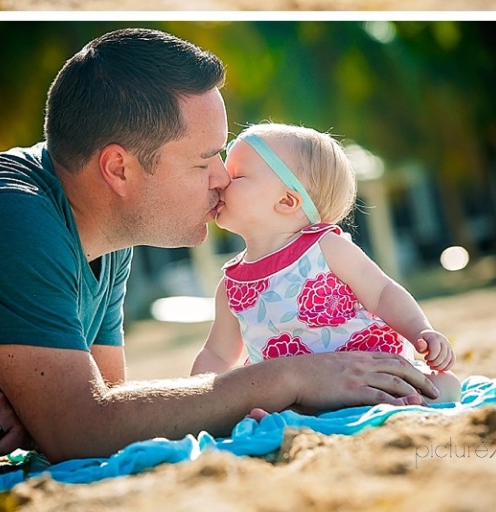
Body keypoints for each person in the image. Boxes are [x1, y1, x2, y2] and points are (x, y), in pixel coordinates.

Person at [0, 28, 441, 496]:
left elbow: (103, 402)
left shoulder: (106, 233)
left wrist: (40, 413)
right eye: (205, 161)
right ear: (119, 170)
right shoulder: (7, 216)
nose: (223, 177)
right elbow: (83, 428)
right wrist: (291, 376)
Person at [193, 123, 461, 405]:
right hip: (294, 395)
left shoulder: (324, 247)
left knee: (443, 384)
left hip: (367, 373)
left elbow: (382, 293)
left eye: (236, 175)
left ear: (286, 201)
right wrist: (194, 399)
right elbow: (218, 354)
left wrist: (420, 331)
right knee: (259, 407)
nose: (221, 180)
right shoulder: (232, 285)